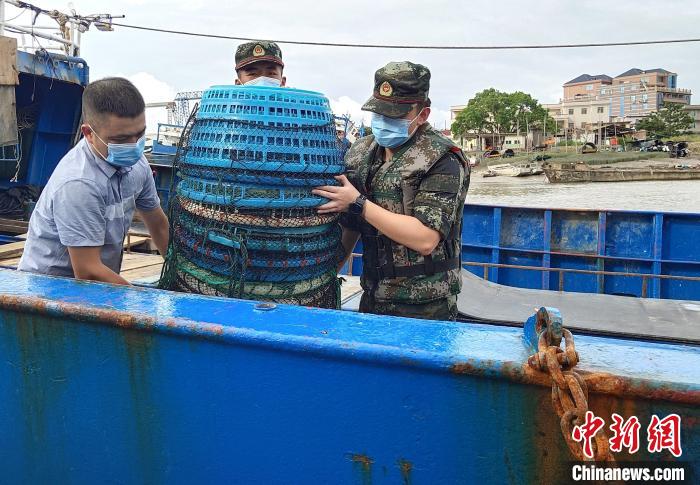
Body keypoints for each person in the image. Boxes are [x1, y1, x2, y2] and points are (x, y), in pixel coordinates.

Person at [313, 62, 470, 321]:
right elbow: (350, 227)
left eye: (394, 116)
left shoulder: (443, 159)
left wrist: (358, 203)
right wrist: (326, 276)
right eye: (379, 113)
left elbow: (425, 239)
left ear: (422, 114)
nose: (384, 122)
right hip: (373, 295)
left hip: (425, 305)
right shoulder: (361, 152)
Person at [18, 77, 169, 284]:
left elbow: (158, 224)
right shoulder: (79, 184)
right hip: (49, 292)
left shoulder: (138, 164)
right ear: (89, 133)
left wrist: (176, 273)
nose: (134, 146)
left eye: (139, 134)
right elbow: (88, 272)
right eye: (121, 139)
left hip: (99, 286)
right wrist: (138, 302)